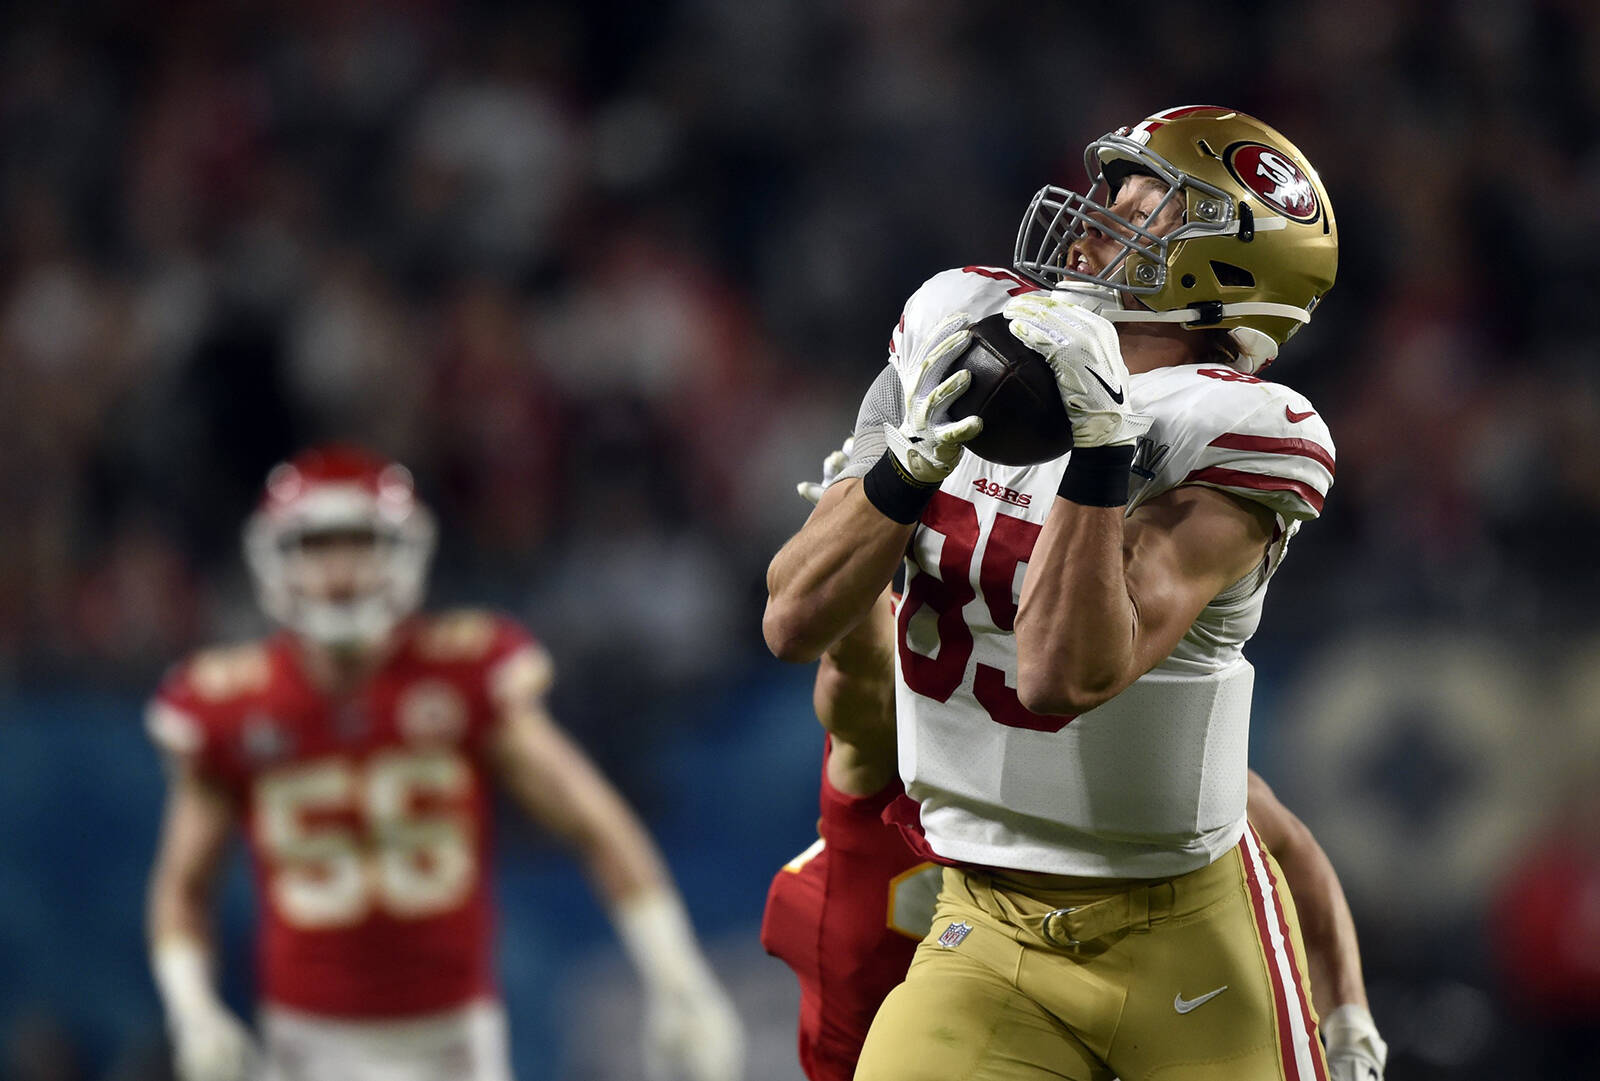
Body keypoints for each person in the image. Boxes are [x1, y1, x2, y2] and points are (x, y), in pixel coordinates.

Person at [764, 105, 1351, 1079]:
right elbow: (792, 618)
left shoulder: (1234, 425)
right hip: (982, 922)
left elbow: (1061, 675)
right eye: (1111, 189)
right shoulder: (963, 328)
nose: (1098, 215)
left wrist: (1100, 447)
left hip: (1182, 937)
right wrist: (904, 469)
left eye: (1148, 203)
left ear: (1232, 264)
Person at [763, 453, 1386, 1081]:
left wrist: (1350, 1021)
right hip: (952, 990)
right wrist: (866, 514)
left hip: (1131, 976)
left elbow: (1282, 842)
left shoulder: (1083, 711)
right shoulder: (894, 724)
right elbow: (849, 659)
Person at [145, 445, 744, 1081]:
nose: (341, 571)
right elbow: (184, 884)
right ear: (276, 559)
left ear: (405, 550)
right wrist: (192, 1010)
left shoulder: (463, 673)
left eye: (361, 543)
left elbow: (597, 825)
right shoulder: (230, 703)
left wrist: (677, 975)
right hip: (303, 1043)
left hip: (455, 1041)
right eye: (319, 547)